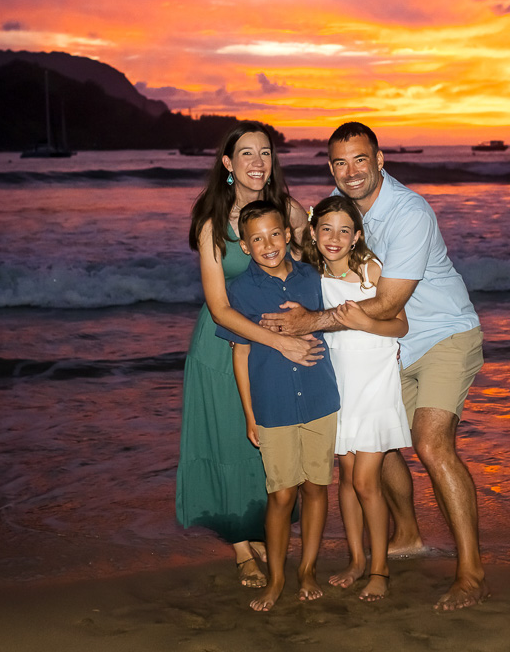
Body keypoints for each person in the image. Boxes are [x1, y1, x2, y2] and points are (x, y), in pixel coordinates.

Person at [260, 121, 487, 610]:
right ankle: (406, 534)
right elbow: (305, 232)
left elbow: (384, 306)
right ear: (330, 167)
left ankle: (470, 570)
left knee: (430, 442)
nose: (351, 171)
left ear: (380, 160)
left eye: (361, 159)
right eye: (340, 163)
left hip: (443, 334)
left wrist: (309, 323)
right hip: (388, 353)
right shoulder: (339, 211)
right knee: (377, 445)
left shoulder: (409, 214)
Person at [176, 121, 317, 589]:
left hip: (275, 346)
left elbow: (316, 255)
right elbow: (219, 306)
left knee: (267, 441)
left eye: (266, 153)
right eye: (247, 154)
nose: (258, 163)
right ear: (228, 164)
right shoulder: (212, 223)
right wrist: (279, 340)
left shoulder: (286, 209)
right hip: (223, 347)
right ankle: (242, 548)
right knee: (230, 440)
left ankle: (259, 529)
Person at [216, 200, 341, 612]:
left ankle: (306, 570)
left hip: (321, 398)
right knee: (282, 495)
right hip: (273, 406)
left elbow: (337, 318)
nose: (268, 243)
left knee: (317, 487)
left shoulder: (313, 277)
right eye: (257, 239)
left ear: (289, 235)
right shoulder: (240, 291)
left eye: (274, 234)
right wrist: (251, 417)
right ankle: (277, 578)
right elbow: (240, 356)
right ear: (245, 247)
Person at [301, 195, 411, 602]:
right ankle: (356, 559)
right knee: (345, 478)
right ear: (313, 232)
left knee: (366, 481)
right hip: (339, 384)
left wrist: (364, 320)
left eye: (344, 230)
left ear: (357, 236)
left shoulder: (370, 270)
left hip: (374, 383)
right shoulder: (311, 274)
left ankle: (380, 569)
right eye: (326, 228)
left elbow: (399, 325)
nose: (335, 237)